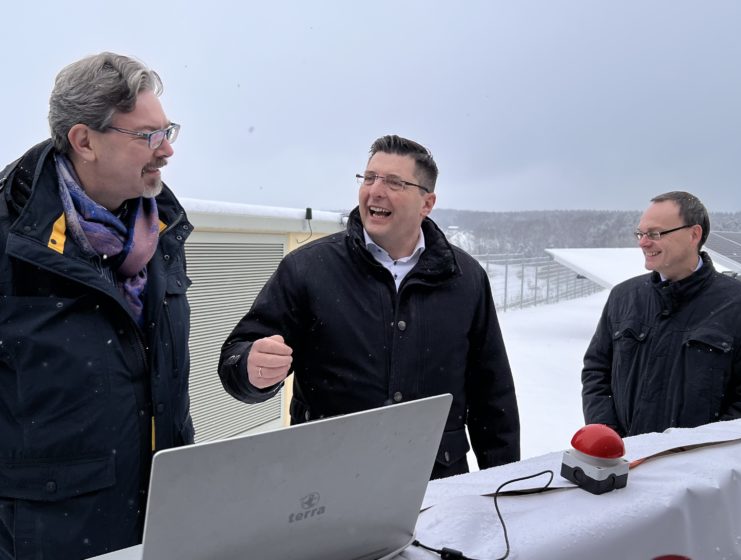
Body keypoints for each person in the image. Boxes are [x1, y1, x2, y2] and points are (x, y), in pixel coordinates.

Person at [219, 134, 520, 479]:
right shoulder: (308, 269)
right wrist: (250, 368)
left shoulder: (465, 279)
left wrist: (504, 484)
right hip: (327, 481)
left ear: (427, 203)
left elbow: (492, 394)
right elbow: (236, 357)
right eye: (370, 177)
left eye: (394, 182)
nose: (375, 191)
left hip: (434, 482)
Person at [0, 53, 193, 559]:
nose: (167, 149)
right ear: (84, 141)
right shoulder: (11, 238)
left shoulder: (163, 230)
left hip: (162, 522)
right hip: (50, 537)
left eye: (167, 129)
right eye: (148, 135)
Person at [581, 191, 741, 437]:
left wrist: (698, 449)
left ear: (693, 234)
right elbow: (596, 370)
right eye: (641, 233)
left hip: (697, 469)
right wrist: (608, 433)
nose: (643, 242)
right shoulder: (624, 297)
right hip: (625, 459)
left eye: (655, 234)